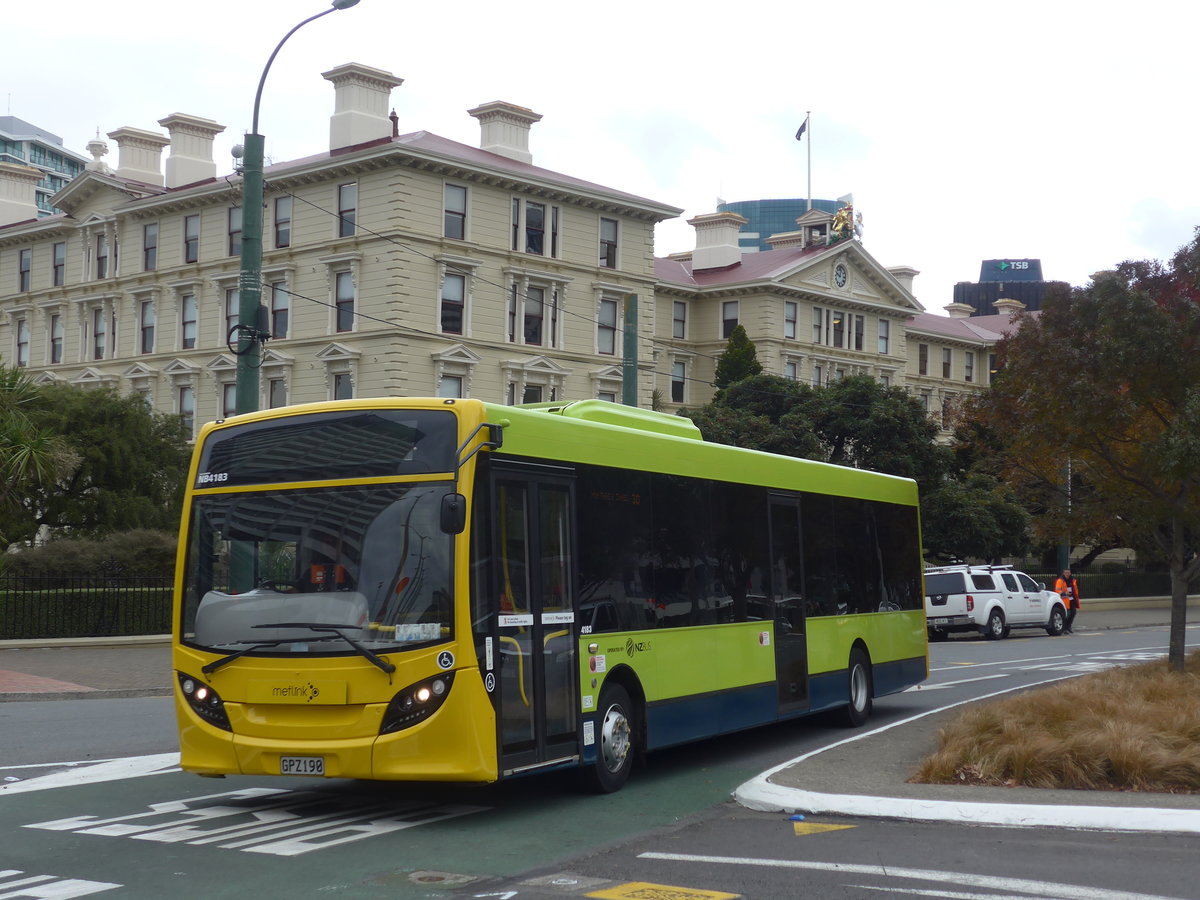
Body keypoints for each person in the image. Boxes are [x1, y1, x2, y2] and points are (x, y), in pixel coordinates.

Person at [1055, 568, 1081, 633]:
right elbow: (1057, 590)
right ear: (1063, 573)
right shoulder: (1060, 581)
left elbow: (1075, 589)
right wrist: (1065, 593)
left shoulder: (1072, 580)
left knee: (1073, 613)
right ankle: (1064, 628)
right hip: (1064, 600)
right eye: (1066, 573)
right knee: (1066, 615)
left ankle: (1068, 626)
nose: (1067, 574)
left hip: (1072, 599)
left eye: (1068, 573)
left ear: (1070, 573)